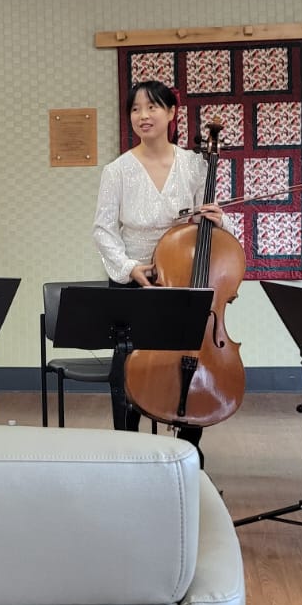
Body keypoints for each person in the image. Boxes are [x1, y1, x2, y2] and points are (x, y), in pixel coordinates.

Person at [91, 79, 232, 447]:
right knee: (127, 367)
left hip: (185, 278)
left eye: (152, 107)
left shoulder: (196, 165)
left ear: (171, 113)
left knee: (191, 357)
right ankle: (128, 448)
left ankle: (187, 447)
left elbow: (211, 225)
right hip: (135, 279)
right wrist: (129, 268)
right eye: (135, 109)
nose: (143, 115)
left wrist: (220, 220)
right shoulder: (117, 170)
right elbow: (103, 230)